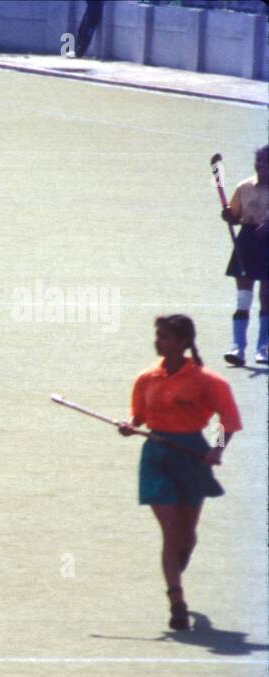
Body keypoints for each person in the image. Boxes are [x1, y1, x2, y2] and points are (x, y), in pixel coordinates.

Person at [117, 315, 241, 631]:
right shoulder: (147, 379)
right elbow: (139, 414)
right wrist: (130, 424)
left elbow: (229, 419)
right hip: (156, 457)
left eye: (166, 337)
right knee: (171, 533)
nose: (159, 342)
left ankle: (176, 566)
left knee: (186, 535)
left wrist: (217, 449)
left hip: (192, 457)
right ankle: (177, 602)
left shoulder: (207, 381)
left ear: (182, 342)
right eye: (157, 336)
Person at [221, 144, 269, 367]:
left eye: (265, 162)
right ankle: (237, 347)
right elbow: (235, 216)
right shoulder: (244, 187)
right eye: (258, 162)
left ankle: (263, 348)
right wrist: (229, 216)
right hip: (247, 241)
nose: (261, 166)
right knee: (243, 298)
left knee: (266, 298)